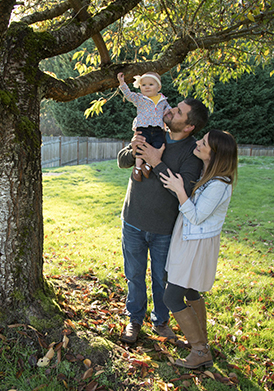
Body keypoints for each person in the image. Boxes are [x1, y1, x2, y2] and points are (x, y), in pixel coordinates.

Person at [117, 97, 209, 344]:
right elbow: (122, 161)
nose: (169, 110)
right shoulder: (151, 130)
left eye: (178, 112)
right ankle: (135, 319)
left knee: (162, 279)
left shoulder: (192, 153)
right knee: (134, 275)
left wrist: (156, 162)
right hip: (133, 220)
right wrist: (134, 148)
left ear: (189, 126)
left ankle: (161, 322)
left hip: (165, 229)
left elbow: (183, 192)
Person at [160, 129, 238, 369]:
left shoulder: (219, 184)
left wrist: (178, 188)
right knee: (191, 292)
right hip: (189, 240)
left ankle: (200, 349)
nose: (199, 143)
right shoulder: (209, 174)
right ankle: (201, 344)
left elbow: (196, 216)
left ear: (214, 154)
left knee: (172, 296)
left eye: (204, 143)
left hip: (196, 244)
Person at [117, 72, 171, 181]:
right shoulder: (140, 98)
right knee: (141, 146)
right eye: (143, 85)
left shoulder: (163, 100)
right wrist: (122, 83)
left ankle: (148, 166)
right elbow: (128, 95)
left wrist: (167, 113)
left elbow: (168, 110)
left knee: (158, 145)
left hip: (158, 128)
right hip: (143, 127)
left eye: (151, 84)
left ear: (159, 87)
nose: (147, 87)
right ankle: (137, 168)